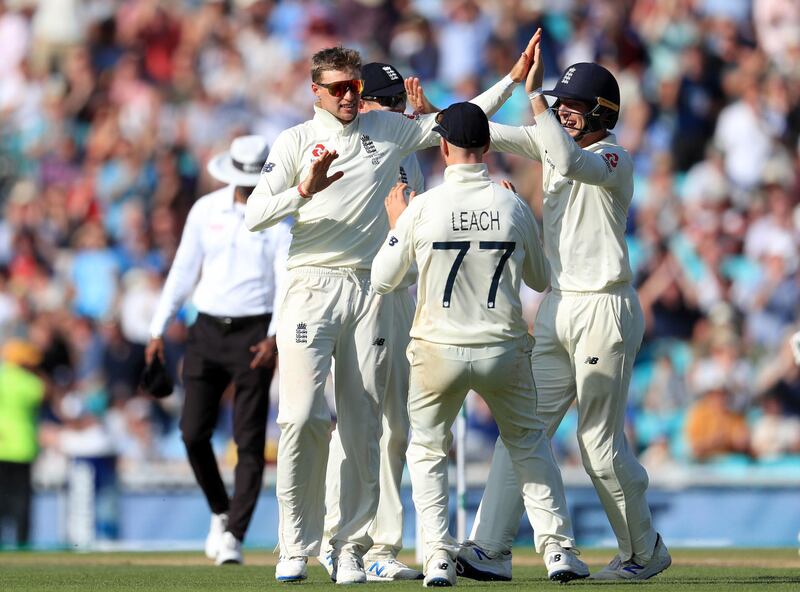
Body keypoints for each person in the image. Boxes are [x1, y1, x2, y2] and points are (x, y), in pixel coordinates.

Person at [244, 42, 537, 583]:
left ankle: (352, 547)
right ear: (317, 92)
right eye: (337, 89)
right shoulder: (295, 142)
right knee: (302, 416)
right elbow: (255, 215)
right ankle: (295, 545)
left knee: (363, 426)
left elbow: (465, 123)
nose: (349, 96)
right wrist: (302, 192)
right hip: (312, 283)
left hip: (372, 289)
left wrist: (514, 78)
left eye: (354, 87)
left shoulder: (389, 131)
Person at [455, 38, 672, 581]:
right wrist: (445, 116)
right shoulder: (552, 139)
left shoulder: (614, 157)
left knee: (597, 445)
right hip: (556, 307)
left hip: (604, 308)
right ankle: (491, 549)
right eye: (560, 103)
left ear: (603, 112)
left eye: (572, 105)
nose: (563, 111)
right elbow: (476, 133)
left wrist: (536, 102)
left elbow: (572, 162)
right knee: (521, 430)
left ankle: (644, 551)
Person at [371, 101, 590, 586]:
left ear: (443, 146)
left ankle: (438, 559)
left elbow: (385, 279)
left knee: (427, 450)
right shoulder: (509, 202)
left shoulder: (424, 205)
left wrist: (396, 226)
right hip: (502, 348)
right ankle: (557, 551)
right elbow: (539, 278)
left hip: (436, 350)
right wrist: (516, 217)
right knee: (529, 444)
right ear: (488, 147)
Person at [145, 135, 290, 566]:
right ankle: (219, 509)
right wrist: (157, 328)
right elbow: (183, 270)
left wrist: (275, 335)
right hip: (206, 329)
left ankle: (235, 535)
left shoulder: (282, 216)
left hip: (254, 334)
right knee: (192, 432)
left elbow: (285, 279)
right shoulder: (206, 210)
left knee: (249, 442)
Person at [320, 61, 424, 582]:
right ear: (363, 104)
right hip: (373, 289)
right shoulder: (361, 147)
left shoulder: (401, 142)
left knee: (393, 423)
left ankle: (355, 539)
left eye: (403, 103)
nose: (400, 112)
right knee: (369, 420)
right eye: (391, 104)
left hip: (401, 294)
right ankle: (355, 541)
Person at [0, 340, 46, 547]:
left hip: (2, 447)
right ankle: (21, 543)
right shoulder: (30, 383)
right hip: (22, 447)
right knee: (21, 501)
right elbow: (44, 394)